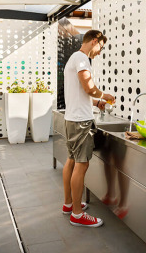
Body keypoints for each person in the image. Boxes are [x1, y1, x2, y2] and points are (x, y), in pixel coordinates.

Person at [62, 30, 115, 228]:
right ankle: (77, 214)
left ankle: (69, 204)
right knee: (81, 165)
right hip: (81, 122)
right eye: (101, 47)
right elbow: (89, 88)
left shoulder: (74, 59)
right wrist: (105, 96)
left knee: (71, 161)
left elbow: (81, 94)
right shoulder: (82, 58)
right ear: (94, 41)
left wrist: (95, 103)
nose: (100, 52)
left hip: (73, 119)